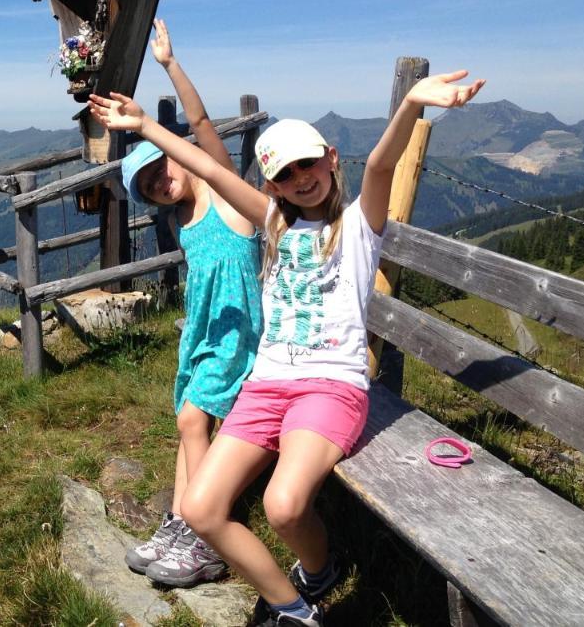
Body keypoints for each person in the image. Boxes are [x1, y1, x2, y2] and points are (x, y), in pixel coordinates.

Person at [91, 68, 484, 626]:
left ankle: (320, 571)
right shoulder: (272, 223)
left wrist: (414, 104)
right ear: (271, 185)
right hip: (266, 385)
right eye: (285, 172)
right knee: (202, 509)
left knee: (282, 506)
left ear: (331, 160)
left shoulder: (357, 229)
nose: (301, 179)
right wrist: (147, 126)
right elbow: (205, 165)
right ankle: (296, 609)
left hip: (330, 388)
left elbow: (380, 166)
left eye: (308, 164)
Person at [121, 19, 263, 589]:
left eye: (162, 168)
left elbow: (201, 124)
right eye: (150, 185)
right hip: (202, 330)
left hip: (240, 331)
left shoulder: (227, 192)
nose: (162, 182)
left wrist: (169, 65)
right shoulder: (183, 220)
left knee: (189, 417)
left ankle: (205, 534)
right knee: (189, 422)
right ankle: (182, 523)